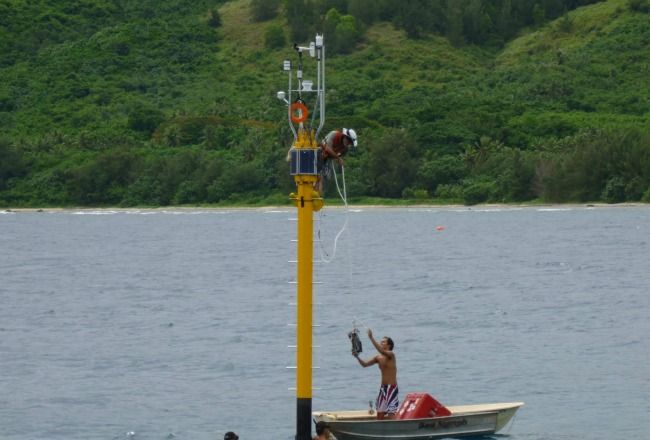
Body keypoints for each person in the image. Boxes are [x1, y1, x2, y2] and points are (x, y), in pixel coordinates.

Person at [352, 329, 398, 420]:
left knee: (391, 412)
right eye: (381, 342)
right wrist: (357, 356)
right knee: (380, 413)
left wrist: (371, 337)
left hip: (391, 388)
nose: (381, 343)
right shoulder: (378, 357)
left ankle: (396, 429)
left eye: (383, 342)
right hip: (383, 388)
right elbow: (364, 364)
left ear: (389, 345)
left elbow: (381, 351)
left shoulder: (391, 355)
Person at [316, 128, 357, 193]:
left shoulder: (345, 149)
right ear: (344, 136)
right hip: (318, 153)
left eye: (350, 142)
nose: (348, 143)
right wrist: (338, 158)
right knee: (317, 176)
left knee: (322, 178)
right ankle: (313, 196)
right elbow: (327, 148)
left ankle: (317, 197)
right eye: (348, 140)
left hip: (326, 159)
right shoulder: (334, 134)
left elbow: (338, 156)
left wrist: (338, 160)